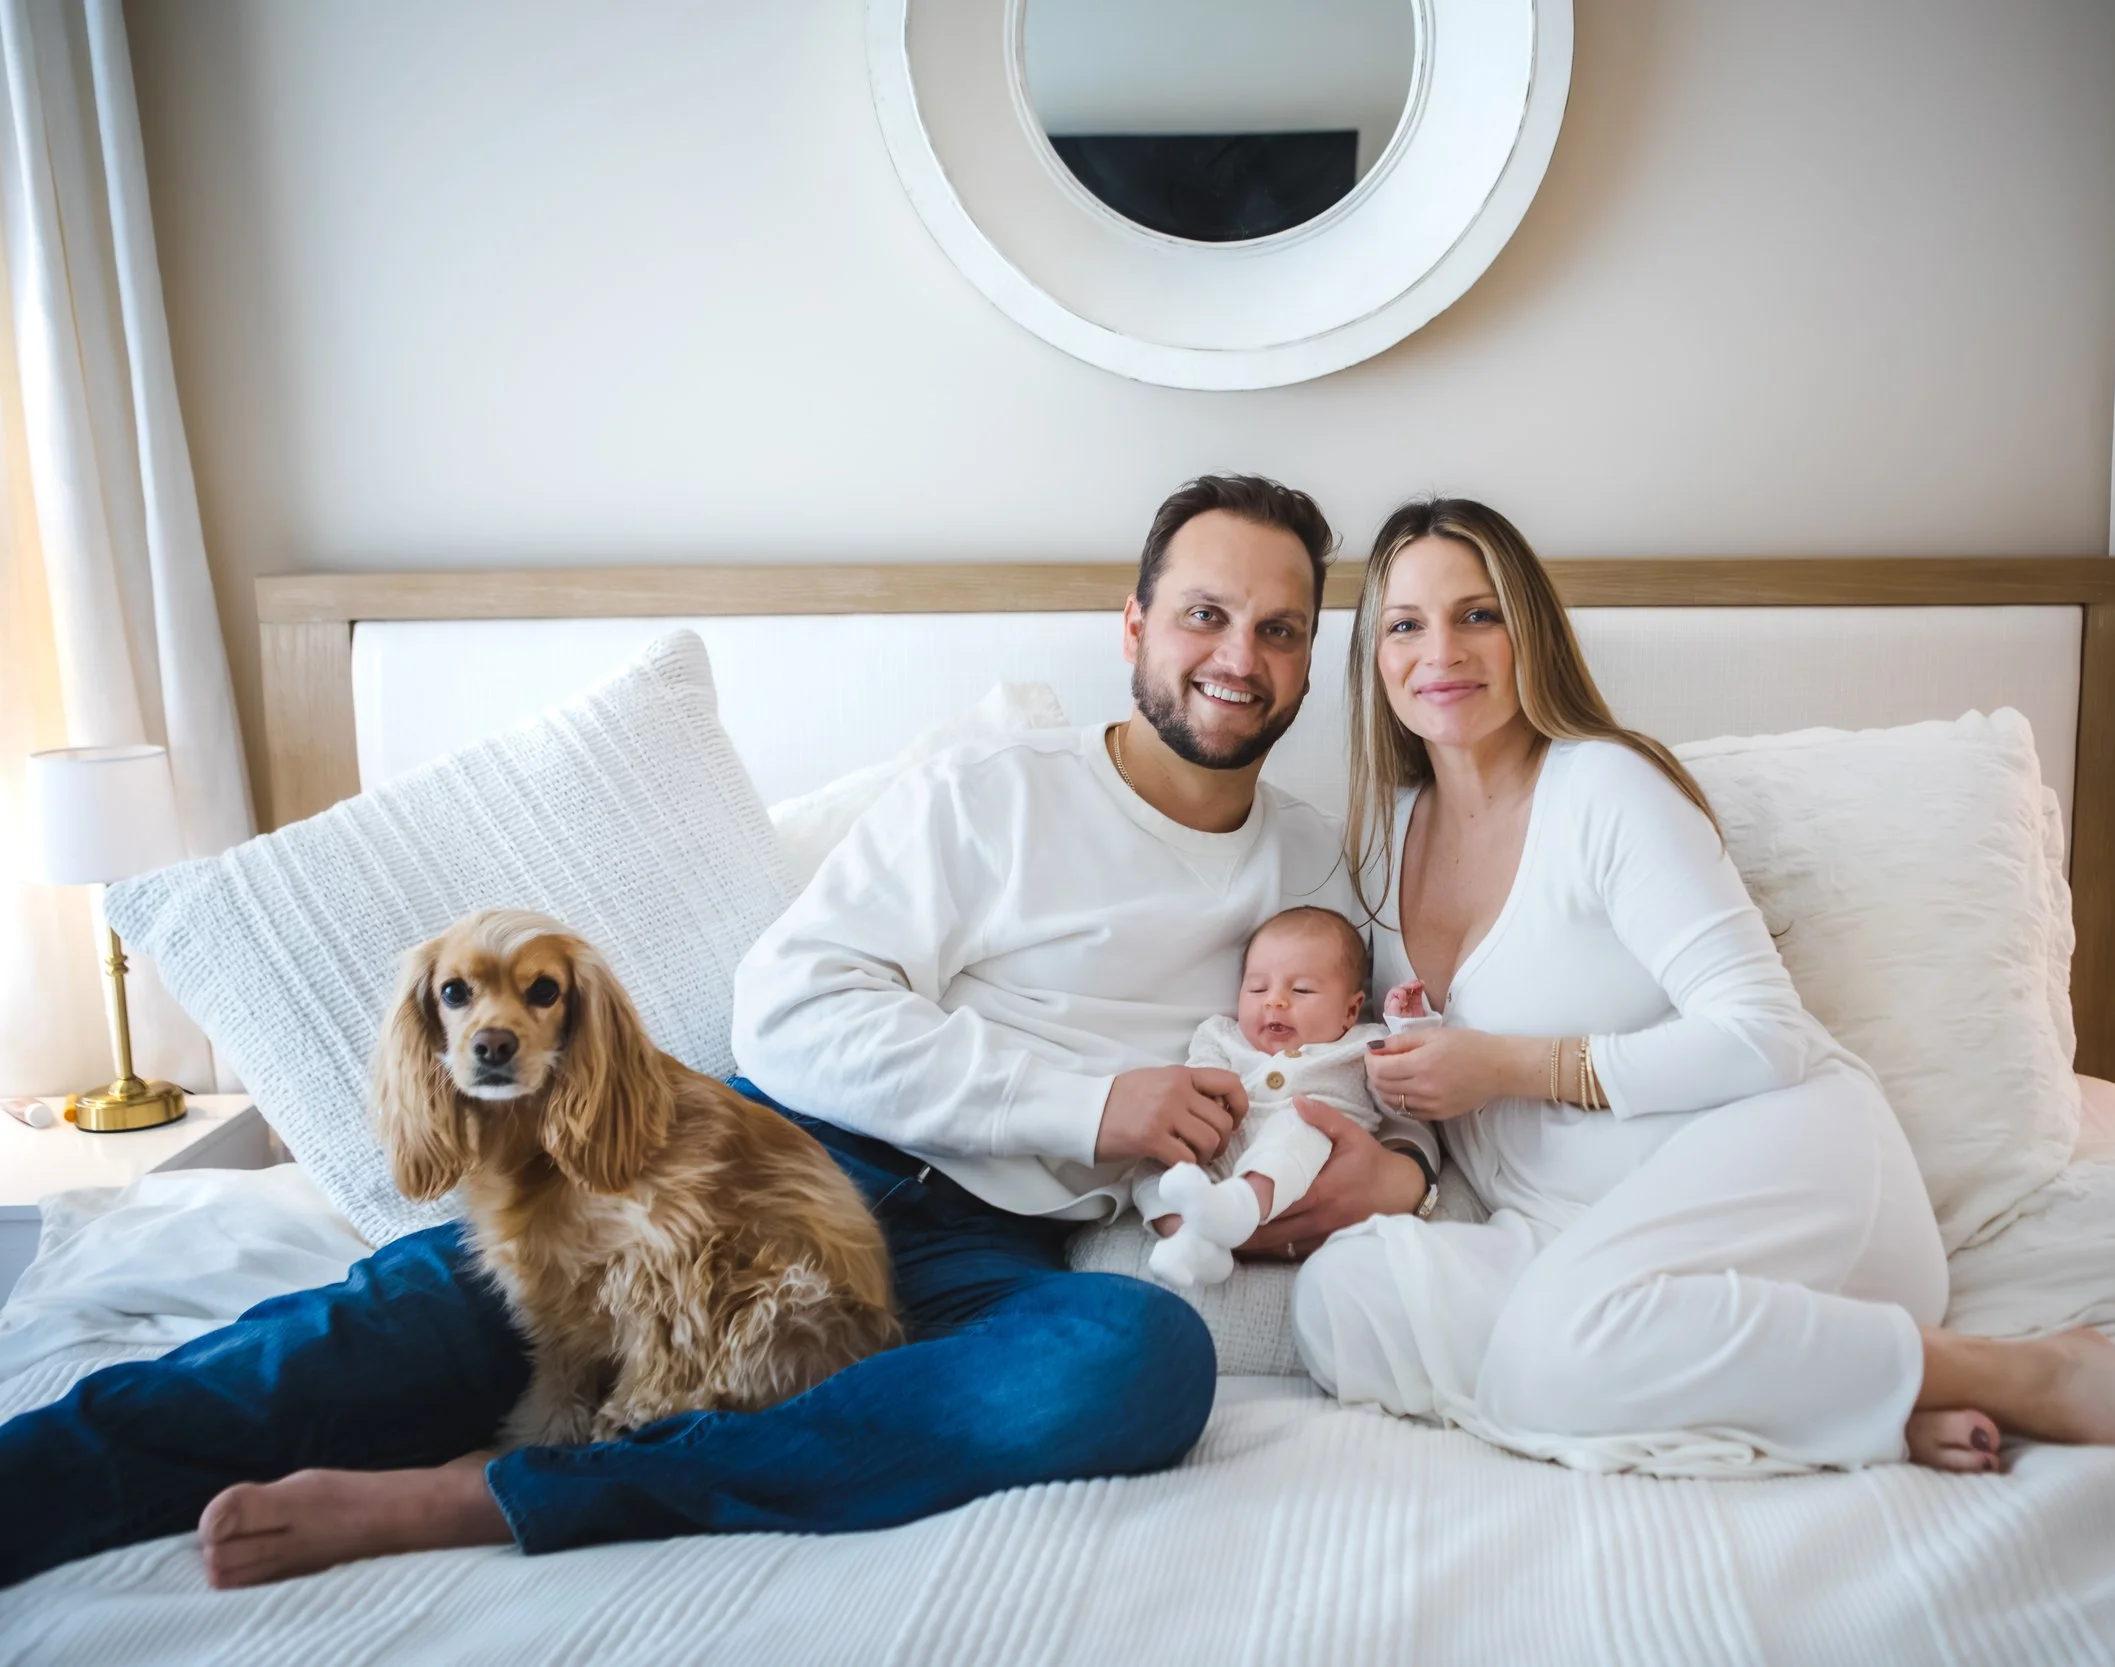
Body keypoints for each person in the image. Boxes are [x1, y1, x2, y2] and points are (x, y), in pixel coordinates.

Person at [0, 473, 1438, 1592]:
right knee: (349, 1349)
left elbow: (1394, 1072)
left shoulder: (1324, 864)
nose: (1237, 656)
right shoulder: (995, 793)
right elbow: (791, 1009)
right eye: (1203, 614)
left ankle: (494, 1494)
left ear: (1311, 659)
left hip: (982, 1249)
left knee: (1138, 1361)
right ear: (1134, 626)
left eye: (1278, 628)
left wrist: (1404, 1173)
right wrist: (1088, 1105)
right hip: (765, 1159)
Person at [1292, 497, 2115, 1477]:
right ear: (1373, 656)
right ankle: (1842, 1399)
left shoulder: (1602, 788)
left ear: (1529, 633)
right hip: (1567, 1229)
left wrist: (1510, 1066)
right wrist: (1403, 1156)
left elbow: (1760, 1032)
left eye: (1477, 614)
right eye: (1405, 625)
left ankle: (2026, 1370)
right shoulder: (1384, 843)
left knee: (1550, 1355)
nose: (1441, 652)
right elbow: (1421, 1072)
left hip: (1773, 1170)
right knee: (1342, 1299)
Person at [1137, 906, 1437, 1288]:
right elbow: (1199, 1076)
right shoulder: (1221, 1036)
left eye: (1301, 990)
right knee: (1151, 1164)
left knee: (1299, 1124)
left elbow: (1404, 1082)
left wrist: (1407, 1025)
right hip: (1222, 1145)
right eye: (1258, 988)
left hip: (1306, 1160)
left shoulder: (1361, 1044)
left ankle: (1241, 1207)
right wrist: (1203, 1107)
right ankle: (1190, 1240)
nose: (1275, 1001)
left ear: (1350, 1010)